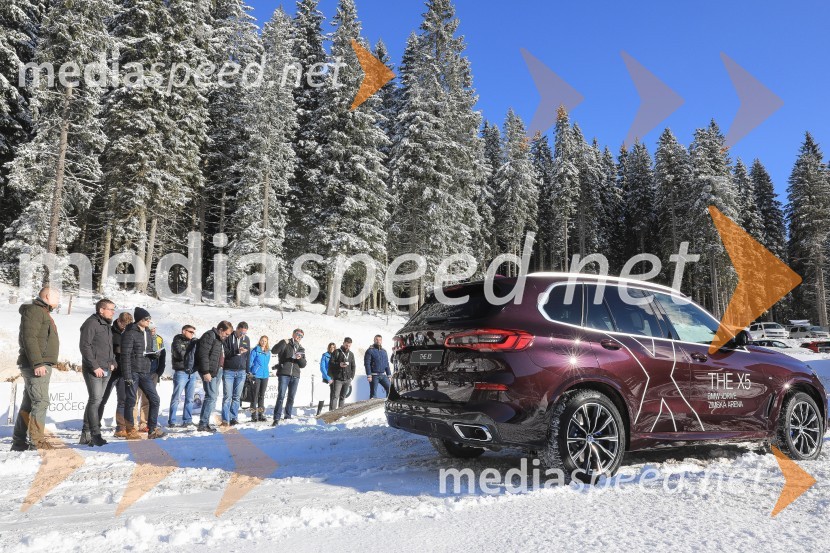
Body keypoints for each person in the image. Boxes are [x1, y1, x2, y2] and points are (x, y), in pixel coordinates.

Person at [12, 287, 61, 451]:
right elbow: (29, 338)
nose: (59, 299)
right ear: (47, 296)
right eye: (57, 296)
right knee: (41, 401)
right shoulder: (34, 311)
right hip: (35, 364)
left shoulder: (42, 311)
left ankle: (19, 442)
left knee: (29, 403)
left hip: (38, 363)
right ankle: (37, 442)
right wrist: (37, 363)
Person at [121, 308, 166, 439]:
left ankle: (151, 429)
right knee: (130, 401)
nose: (148, 321)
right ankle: (130, 430)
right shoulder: (130, 333)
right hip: (133, 372)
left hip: (145, 372)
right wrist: (127, 375)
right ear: (140, 319)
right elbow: (125, 355)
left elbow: (147, 352)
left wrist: (154, 355)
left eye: (149, 319)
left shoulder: (147, 333)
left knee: (155, 399)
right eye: (146, 319)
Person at [79, 298, 117, 446]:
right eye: (111, 309)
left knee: (96, 401)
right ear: (101, 310)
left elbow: (108, 347)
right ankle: (95, 434)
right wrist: (95, 366)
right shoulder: (91, 323)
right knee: (95, 401)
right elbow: (85, 346)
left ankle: (85, 434)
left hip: (106, 368)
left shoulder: (106, 325)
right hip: (94, 369)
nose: (113, 312)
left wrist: (113, 362)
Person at [99, 311, 133, 437]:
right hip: (111, 370)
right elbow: (105, 349)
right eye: (124, 325)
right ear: (119, 321)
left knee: (122, 400)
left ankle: (120, 427)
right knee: (102, 398)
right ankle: (95, 424)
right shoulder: (109, 331)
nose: (125, 328)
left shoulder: (130, 332)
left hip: (123, 371)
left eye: (128, 326)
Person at [197, 321, 233, 432]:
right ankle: (203, 424)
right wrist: (205, 371)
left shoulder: (219, 339)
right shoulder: (209, 336)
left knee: (212, 396)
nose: (227, 337)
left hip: (217, 371)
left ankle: (203, 422)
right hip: (209, 372)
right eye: (226, 334)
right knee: (211, 396)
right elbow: (203, 355)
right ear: (221, 329)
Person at [270, 329, 306, 425]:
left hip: (295, 375)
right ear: (293, 334)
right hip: (284, 373)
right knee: (281, 396)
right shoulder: (285, 343)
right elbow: (274, 351)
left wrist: (300, 358)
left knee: (291, 397)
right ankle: (276, 418)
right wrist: (282, 342)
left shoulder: (301, 348)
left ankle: (288, 417)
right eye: (298, 334)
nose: (299, 337)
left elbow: (303, 365)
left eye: (301, 336)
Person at [134, 323, 166, 430]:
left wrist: (159, 372)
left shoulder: (159, 339)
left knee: (147, 399)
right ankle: (133, 424)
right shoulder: (141, 337)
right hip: (139, 372)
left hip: (152, 373)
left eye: (154, 329)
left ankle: (144, 423)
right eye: (150, 329)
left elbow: (162, 356)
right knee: (135, 399)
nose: (152, 331)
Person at [221, 322, 250, 426]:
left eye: (245, 333)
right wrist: (237, 351)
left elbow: (248, 356)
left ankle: (234, 417)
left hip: (241, 371)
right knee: (227, 397)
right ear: (237, 329)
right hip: (229, 371)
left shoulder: (246, 339)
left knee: (236, 397)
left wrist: (247, 370)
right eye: (241, 332)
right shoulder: (228, 337)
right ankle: (225, 419)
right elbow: (226, 353)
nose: (242, 334)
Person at [169, 325, 198, 427]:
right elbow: (180, 354)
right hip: (181, 372)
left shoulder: (194, 342)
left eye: (193, 332)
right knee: (176, 397)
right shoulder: (177, 341)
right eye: (190, 331)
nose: (192, 334)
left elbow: (198, 355)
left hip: (192, 372)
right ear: (184, 331)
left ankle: (187, 420)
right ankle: (172, 421)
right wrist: (192, 352)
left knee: (190, 398)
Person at [328, 337, 356, 411]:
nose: (348, 347)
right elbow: (331, 363)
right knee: (335, 397)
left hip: (347, 379)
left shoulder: (351, 354)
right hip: (338, 379)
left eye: (349, 346)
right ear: (343, 343)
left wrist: (351, 377)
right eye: (346, 345)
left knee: (343, 397)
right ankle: (332, 413)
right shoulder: (336, 352)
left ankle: (340, 413)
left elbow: (353, 366)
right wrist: (339, 364)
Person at [248, 336, 271, 422]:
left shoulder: (268, 352)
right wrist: (250, 372)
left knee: (262, 395)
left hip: (265, 376)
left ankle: (261, 414)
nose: (263, 342)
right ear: (259, 341)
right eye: (262, 340)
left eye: (265, 341)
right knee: (254, 396)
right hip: (256, 375)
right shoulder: (255, 350)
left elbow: (267, 363)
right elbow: (250, 362)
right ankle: (253, 415)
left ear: (267, 342)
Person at [364, 334, 392, 399]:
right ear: (374, 340)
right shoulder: (370, 351)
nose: (378, 341)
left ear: (381, 341)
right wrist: (369, 375)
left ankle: (388, 403)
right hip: (374, 376)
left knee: (390, 389)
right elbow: (367, 363)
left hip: (383, 375)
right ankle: (372, 407)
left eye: (380, 340)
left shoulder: (384, 351)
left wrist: (389, 375)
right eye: (376, 339)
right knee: (373, 394)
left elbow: (386, 364)